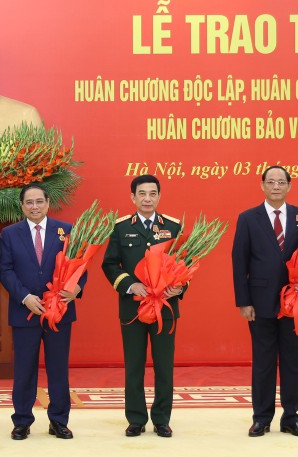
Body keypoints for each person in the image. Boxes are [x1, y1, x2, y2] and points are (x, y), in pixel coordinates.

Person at [232, 165, 298, 438]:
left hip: (295, 301)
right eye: (270, 182)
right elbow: (239, 261)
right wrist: (244, 301)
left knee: (293, 361)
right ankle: (261, 418)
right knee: (263, 362)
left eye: (281, 182)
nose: (276, 186)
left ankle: (291, 418)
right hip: (260, 302)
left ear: (289, 186)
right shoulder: (248, 218)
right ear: (262, 186)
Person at [0, 183, 83, 440]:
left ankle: (59, 421)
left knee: (58, 369)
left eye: (39, 201)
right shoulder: (10, 234)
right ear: (22, 206)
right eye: (29, 202)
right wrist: (25, 297)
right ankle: (22, 421)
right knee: (24, 369)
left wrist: (77, 288)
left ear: (48, 203)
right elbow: (4, 270)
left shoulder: (66, 230)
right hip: (25, 311)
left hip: (59, 312)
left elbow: (80, 265)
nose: (34, 206)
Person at [101, 174, 183, 438]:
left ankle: (161, 419)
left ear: (159, 196)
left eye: (152, 193)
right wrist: (129, 285)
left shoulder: (173, 227)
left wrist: (180, 286)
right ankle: (136, 418)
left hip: (165, 308)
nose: (147, 199)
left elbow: (186, 262)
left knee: (164, 366)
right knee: (134, 365)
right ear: (133, 197)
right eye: (142, 194)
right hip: (133, 309)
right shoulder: (121, 227)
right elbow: (110, 264)